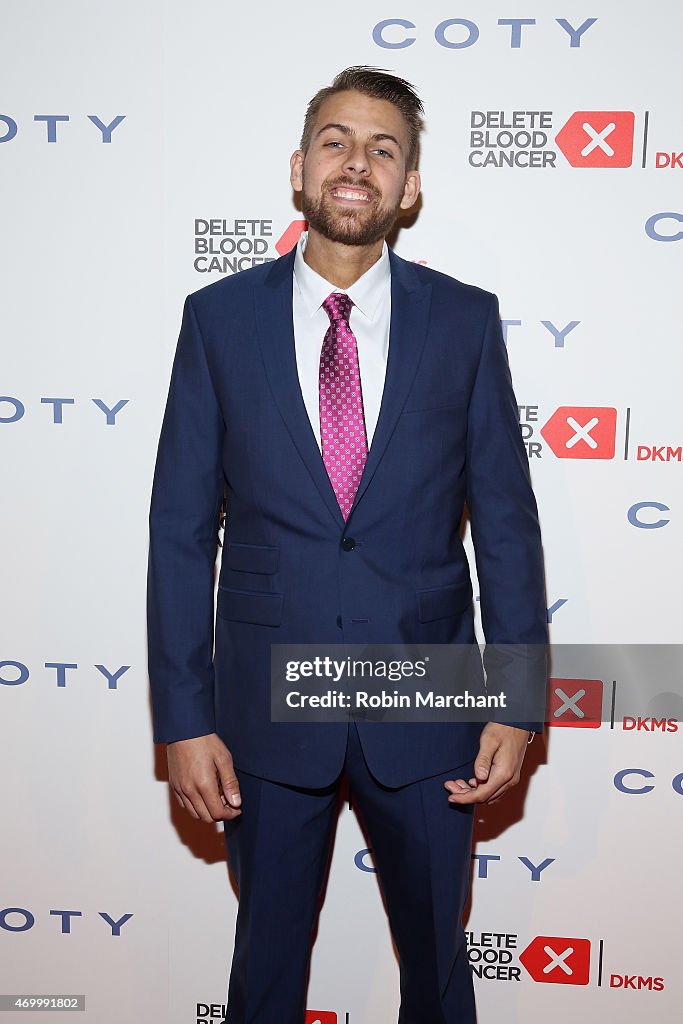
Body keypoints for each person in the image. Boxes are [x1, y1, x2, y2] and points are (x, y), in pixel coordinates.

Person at [147, 66, 547, 1024]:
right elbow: (178, 529)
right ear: (299, 168)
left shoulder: (464, 320)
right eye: (334, 140)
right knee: (267, 969)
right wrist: (183, 719)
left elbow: (505, 520)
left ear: (409, 185)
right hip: (263, 713)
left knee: (438, 975)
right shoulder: (218, 320)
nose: (355, 162)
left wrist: (516, 698)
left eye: (382, 148)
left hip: (427, 698)